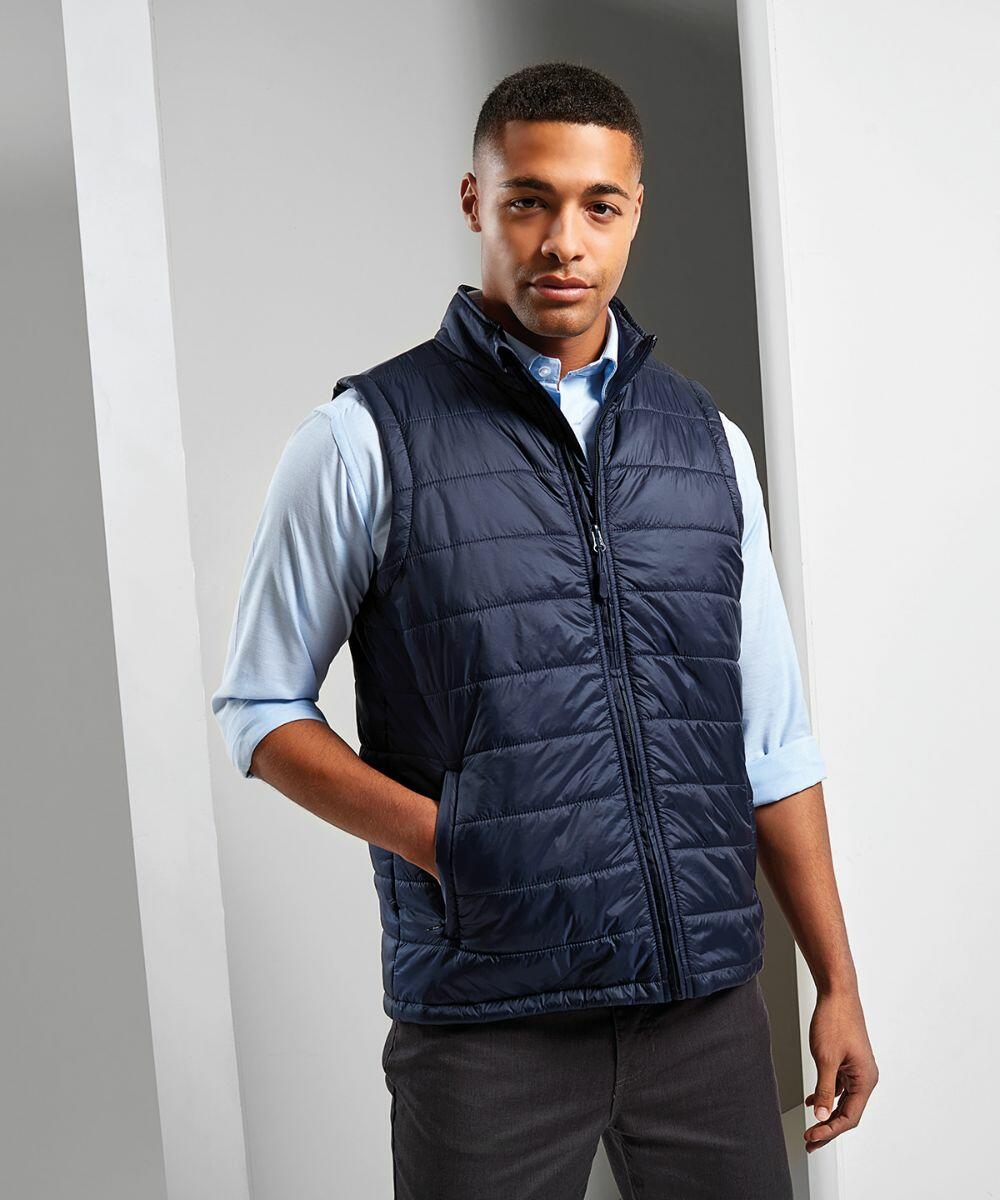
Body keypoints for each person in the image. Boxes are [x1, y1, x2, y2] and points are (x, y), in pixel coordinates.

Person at [212, 61, 877, 1199]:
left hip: (703, 1007)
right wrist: (448, 843)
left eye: (596, 205)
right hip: (488, 1024)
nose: (562, 239)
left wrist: (837, 982)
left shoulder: (706, 445)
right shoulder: (362, 439)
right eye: (528, 199)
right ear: (475, 202)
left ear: (632, 213)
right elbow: (261, 713)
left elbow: (770, 740)